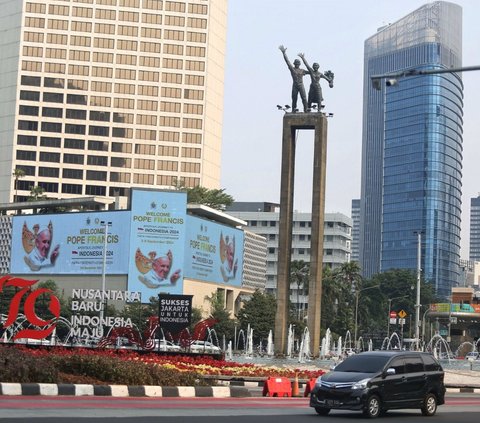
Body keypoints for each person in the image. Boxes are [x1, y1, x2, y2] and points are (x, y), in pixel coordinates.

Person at [279, 45, 308, 112]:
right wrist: (284, 53)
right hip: (295, 85)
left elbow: (312, 72)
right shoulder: (293, 69)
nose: (297, 64)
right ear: (294, 63)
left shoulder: (302, 71)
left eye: (298, 63)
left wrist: (303, 59)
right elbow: (287, 62)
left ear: (300, 64)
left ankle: (306, 110)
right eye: (296, 63)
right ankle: (293, 110)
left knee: (304, 98)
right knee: (294, 98)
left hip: (301, 85)